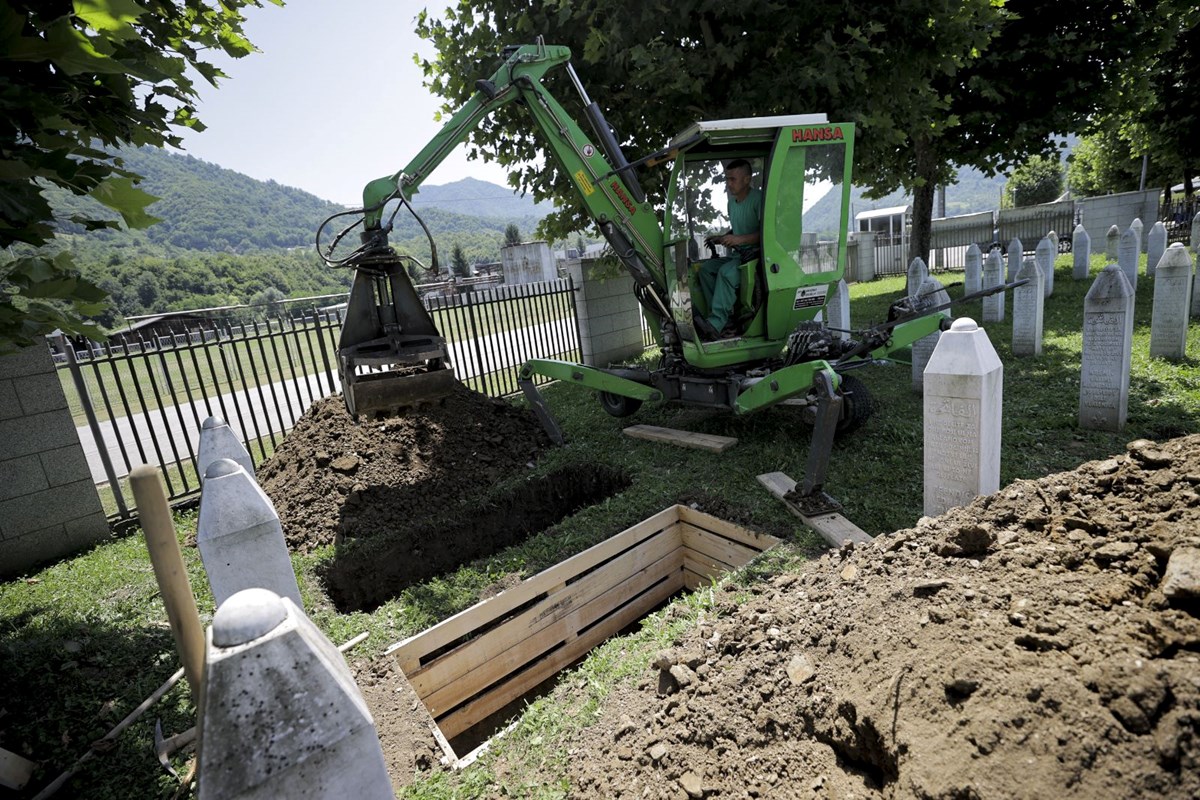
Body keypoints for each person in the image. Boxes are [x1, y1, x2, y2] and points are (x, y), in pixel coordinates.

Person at [695, 159, 763, 337]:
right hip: (738, 256)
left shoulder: (759, 199)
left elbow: (766, 233)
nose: (728, 183)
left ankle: (716, 323)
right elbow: (739, 229)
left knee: (725, 273)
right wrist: (722, 238)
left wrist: (738, 239)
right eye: (727, 179)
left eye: (733, 179)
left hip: (754, 257)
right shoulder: (732, 203)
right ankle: (725, 320)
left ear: (747, 180)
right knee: (706, 270)